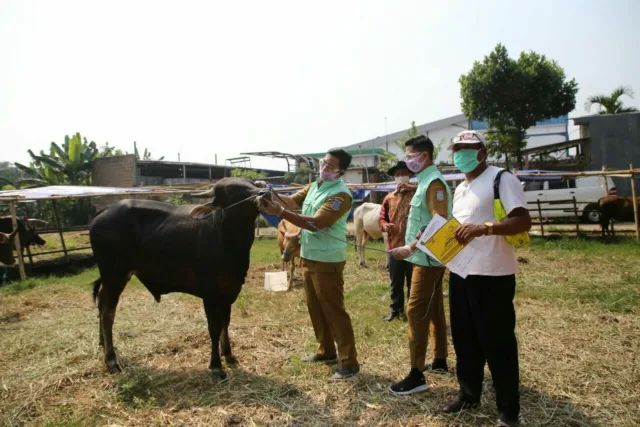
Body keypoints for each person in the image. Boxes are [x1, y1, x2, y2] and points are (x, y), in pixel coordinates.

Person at [442, 130, 531, 427]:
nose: (461, 153)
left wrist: (486, 228)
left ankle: (507, 410)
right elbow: (460, 228)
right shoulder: (461, 187)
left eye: (468, 148)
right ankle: (469, 394)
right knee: (465, 338)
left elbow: (522, 219)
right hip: (461, 272)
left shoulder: (500, 179)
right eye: (457, 148)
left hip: (492, 274)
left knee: (498, 342)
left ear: (482, 151)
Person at [258, 148, 360, 381]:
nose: (324, 168)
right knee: (315, 307)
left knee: (334, 311)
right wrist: (271, 192)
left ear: (341, 172)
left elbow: (317, 224)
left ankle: (349, 362)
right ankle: (326, 351)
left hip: (328, 261)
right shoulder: (315, 186)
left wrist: (280, 212)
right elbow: (292, 201)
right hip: (309, 255)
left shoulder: (340, 196)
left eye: (331, 167)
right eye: (324, 163)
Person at [388, 135, 451, 395]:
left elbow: (440, 221)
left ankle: (416, 374)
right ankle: (439, 360)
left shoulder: (434, 183)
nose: (407, 160)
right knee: (433, 307)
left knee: (415, 311)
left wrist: (410, 247)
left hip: (427, 258)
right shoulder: (424, 181)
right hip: (424, 257)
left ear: (424, 156)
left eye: (411, 155)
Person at [378, 161, 416, 322]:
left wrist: (413, 188)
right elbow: (382, 218)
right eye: (398, 173)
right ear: (394, 177)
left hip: (414, 247)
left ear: (411, 175)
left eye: (404, 172)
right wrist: (385, 225)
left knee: (413, 281)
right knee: (396, 281)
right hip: (394, 245)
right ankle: (396, 310)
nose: (401, 176)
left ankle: (413, 312)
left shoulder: (417, 193)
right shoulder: (389, 198)